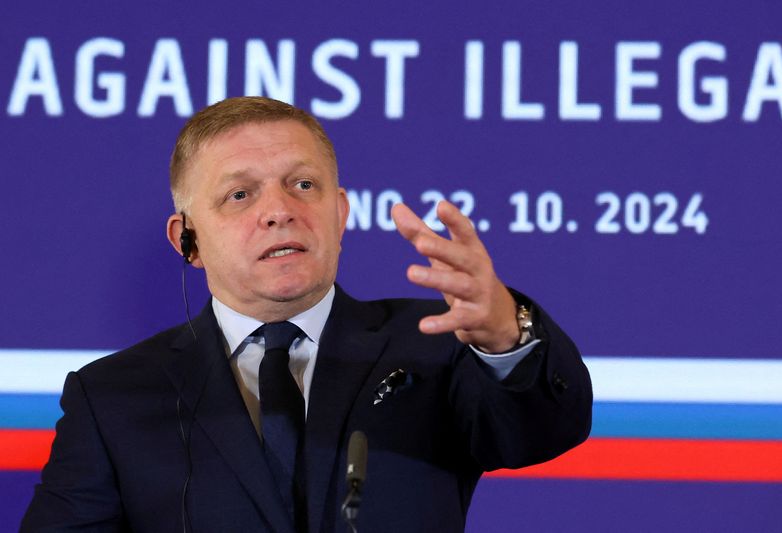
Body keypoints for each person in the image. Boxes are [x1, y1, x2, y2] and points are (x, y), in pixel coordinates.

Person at [21, 97, 592, 533]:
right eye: (239, 195)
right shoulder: (112, 397)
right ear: (187, 239)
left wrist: (503, 336)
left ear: (340, 214)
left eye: (303, 185)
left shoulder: (432, 346)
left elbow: (541, 434)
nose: (279, 212)